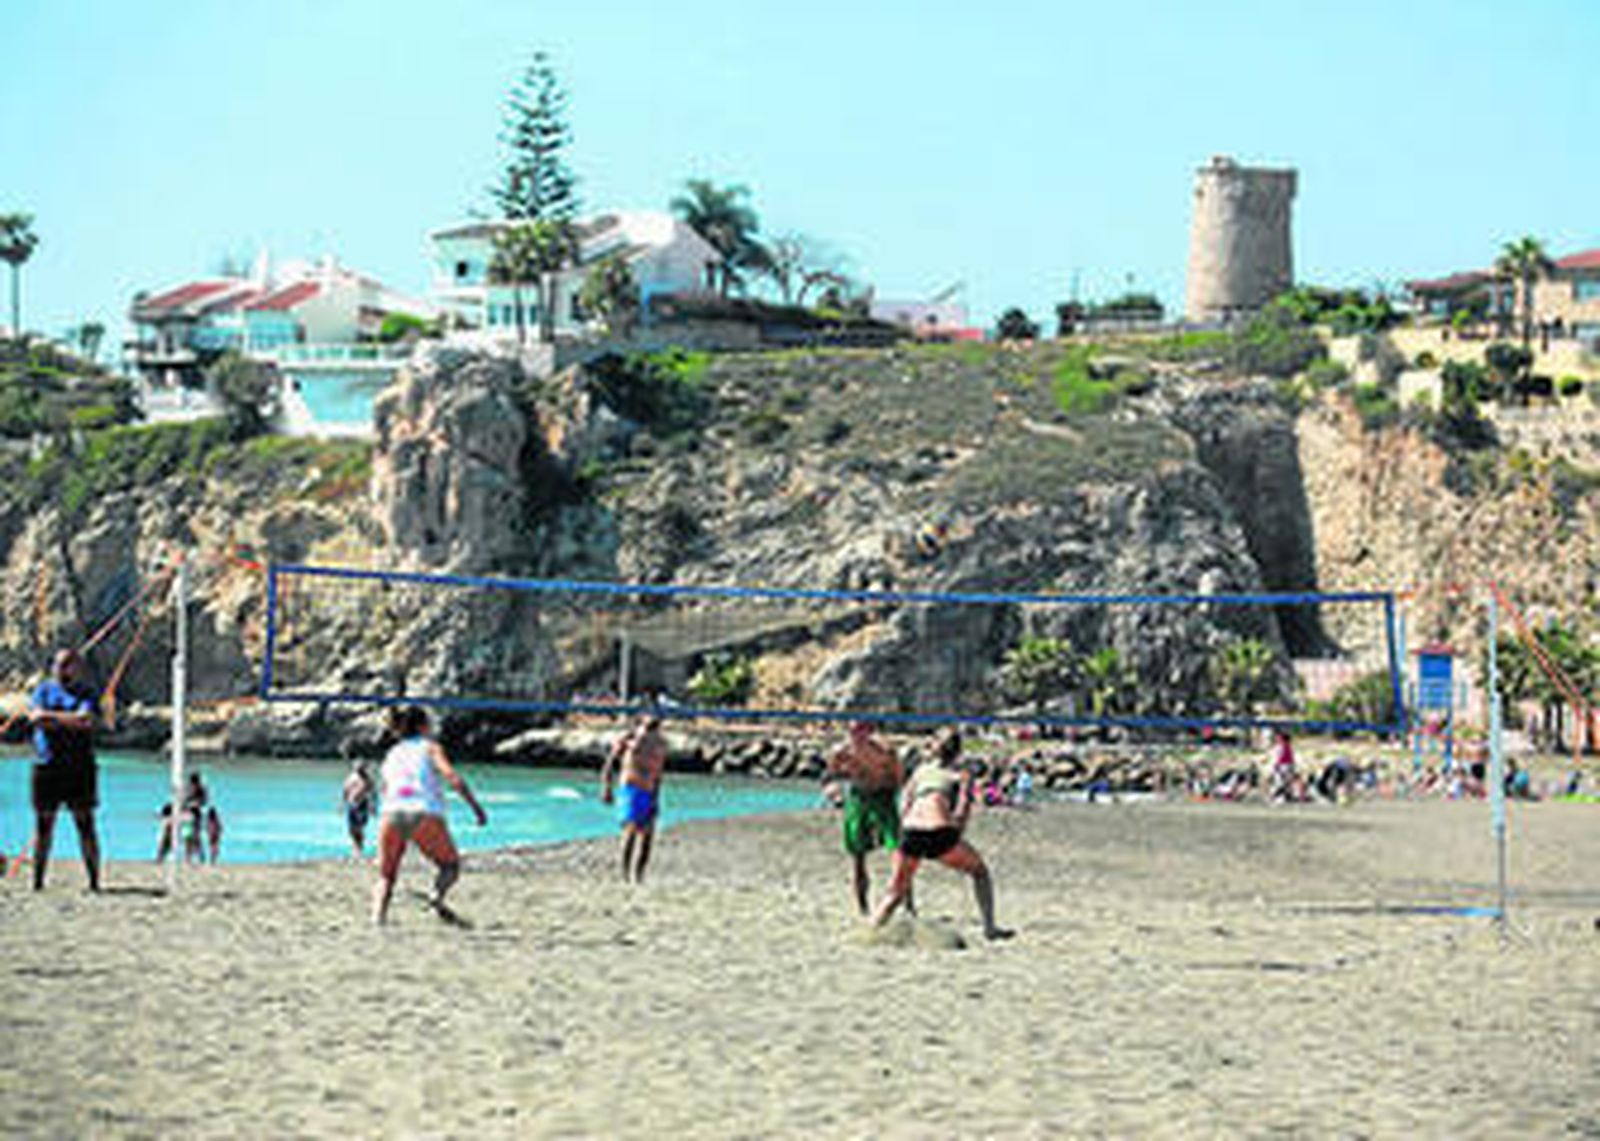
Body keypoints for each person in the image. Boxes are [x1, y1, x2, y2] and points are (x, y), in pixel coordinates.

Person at [872, 728, 1011, 940]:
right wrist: (956, 833)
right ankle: (989, 928)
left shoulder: (920, 771)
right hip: (940, 832)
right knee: (979, 872)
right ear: (958, 752)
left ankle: (871, 931)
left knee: (894, 893)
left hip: (910, 831)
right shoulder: (961, 774)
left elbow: (904, 804)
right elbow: (963, 806)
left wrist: (900, 834)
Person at [371, 705, 487, 925]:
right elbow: (452, 777)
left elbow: (385, 788)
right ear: (423, 726)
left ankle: (378, 920)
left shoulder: (392, 753)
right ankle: (436, 895)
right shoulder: (430, 747)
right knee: (450, 866)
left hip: (391, 811)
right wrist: (476, 807)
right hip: (424, 811)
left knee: (386, 875)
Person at [26, 648, 102, 892]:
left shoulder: (87, 692)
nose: (61, 669)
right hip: (47, 765)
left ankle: (94, 882)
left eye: (67, 665)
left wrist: (51, 719)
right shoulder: (42, 690)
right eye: (58, 664)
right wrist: (69, 719)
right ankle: (38, 882)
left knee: (85, 825)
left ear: (77, 668)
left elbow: (86, 720)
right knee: (43, 826)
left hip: (79, 767)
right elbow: (35, 718)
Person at [826, 720, 907, 916]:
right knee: (857, 854)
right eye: (852, 731)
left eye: (861, 731)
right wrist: (835, 792)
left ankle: (905, 902)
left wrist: (897, 798)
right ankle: (863, 908)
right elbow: (831, 775)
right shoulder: (842, 752)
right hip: (858, 798)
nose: (856, 736)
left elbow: (899, 777)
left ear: (870, 732)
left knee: (898, 848)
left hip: (883, 797)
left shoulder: (885, 751)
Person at [600, 714, 669, 883]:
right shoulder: (630, 739)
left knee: (647, 837)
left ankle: (639, 876)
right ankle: (625, 874)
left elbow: (658, 775)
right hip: (630, 788)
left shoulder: (660, 744)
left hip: (649, 791)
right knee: (630, 832)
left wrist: (656, 799)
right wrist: (607, 788)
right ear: (639, 724)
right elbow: (609, 764)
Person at [342, 760, 378, 857]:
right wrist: (342, 804)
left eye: (361, 767)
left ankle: (358, 850)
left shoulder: (368, 779)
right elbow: (345, 790)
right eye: (357, 767)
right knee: (352, 829)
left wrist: (373, 806)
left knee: (359, 827)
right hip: (351, 805)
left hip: (362, 805)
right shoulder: (350, 778)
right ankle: (356, 848)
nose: (359, 769)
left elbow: (373, 793)